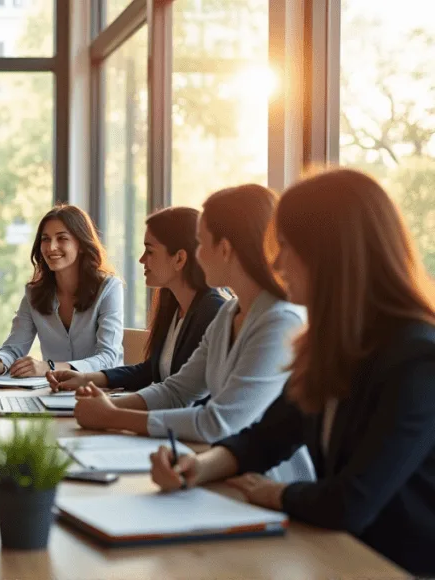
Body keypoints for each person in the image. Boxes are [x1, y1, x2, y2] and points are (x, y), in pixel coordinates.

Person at [149, 169, 435, 576]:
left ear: (330, 255)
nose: (277, 263)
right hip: (341, 554)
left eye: (285, 247)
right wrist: (200, 467)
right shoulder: (329, 344)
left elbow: (352, 501)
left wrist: (275, 493)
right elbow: (269, 437)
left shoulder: (417, 360)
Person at [60, 186, 310, 467]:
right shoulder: (229, 312)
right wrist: (102, 407)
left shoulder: (280, 321)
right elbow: (176, 391)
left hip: (267, 484)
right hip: (215, 468)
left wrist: (112, 416)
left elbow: (219, 422)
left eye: (201, 244)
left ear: (225, 249)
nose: (196, 255)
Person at [47, 207, 227, 392]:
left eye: (150, 251)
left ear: (179, 259)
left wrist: (117, 410)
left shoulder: (213, 313)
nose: (141, 259)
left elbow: (186, 396)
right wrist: (87, 379)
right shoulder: (173, 305)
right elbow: (149, 371)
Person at [0, 204, 123, 377]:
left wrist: (50, 367)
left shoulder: (108, 288)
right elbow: (14, 349)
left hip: (103, 393)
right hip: (55, 392)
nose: (51, 247)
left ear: (82, 244)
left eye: (62, 238)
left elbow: (108, 358)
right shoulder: (34, 293)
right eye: (45, 239)